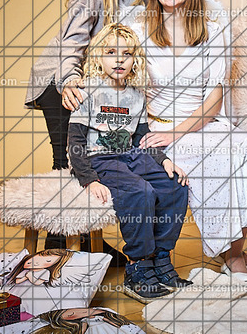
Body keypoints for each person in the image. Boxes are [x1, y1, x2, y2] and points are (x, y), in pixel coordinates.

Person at [124, 0, 247, 283]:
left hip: (201, 123)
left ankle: (236, 252)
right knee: (215, 159)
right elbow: (124, 85)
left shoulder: (212, 31)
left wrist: (178, 132)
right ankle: (233, 257)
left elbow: (214, 100)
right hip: (158, 128)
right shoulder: (137, 32)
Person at [23, 0, 147, 258]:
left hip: (93, 80)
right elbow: (73, 37)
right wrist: (69, 81)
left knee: (94, 159)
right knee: (70, 165)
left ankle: (90, 245)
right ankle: (61, 250)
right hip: (62, 78)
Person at [67, 24, 191, 302]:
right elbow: (75, 141)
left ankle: (160, 257)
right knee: (140, 191)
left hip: (131, 154)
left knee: (175, 186)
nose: (119, 59)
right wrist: (89, 179)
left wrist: (164, 160)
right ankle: (138, 265)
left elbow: (142, 136)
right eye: (111, 52)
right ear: (98, 57)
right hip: (99, 158)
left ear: (135, 59)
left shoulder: (136, 94)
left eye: (127, 53)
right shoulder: (87, 91)